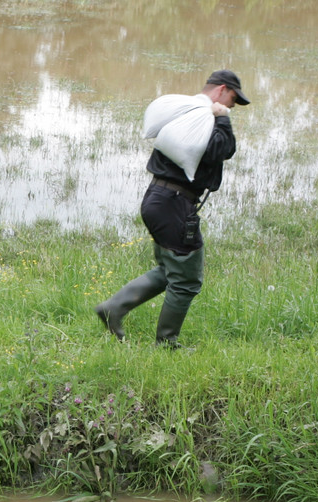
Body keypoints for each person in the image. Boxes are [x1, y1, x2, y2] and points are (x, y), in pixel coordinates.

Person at [94, 69, 248, 347]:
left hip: (157, 199)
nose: (231, 106)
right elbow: (220, 150)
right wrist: (223, 120)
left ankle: (113, 309)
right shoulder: (203, 116)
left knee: (170, 269)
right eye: (233, 99)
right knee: (187, 280)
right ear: (222, 90)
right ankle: (166, 343)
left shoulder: (186, 114)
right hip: (174, 204)